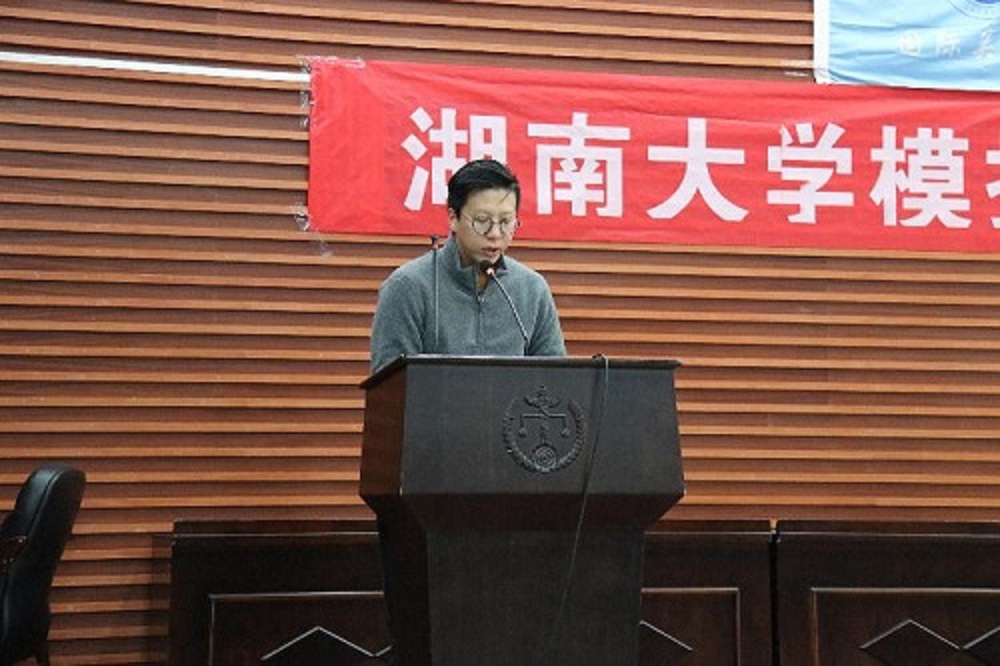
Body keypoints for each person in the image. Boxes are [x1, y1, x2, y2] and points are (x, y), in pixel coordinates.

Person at [369, 158, 566, 373]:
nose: (495, 234)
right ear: (453, 218)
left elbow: (555, 380)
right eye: (482, 220)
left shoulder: (532, 289)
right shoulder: (408, 287)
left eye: (506, 222)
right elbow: (391, 385)